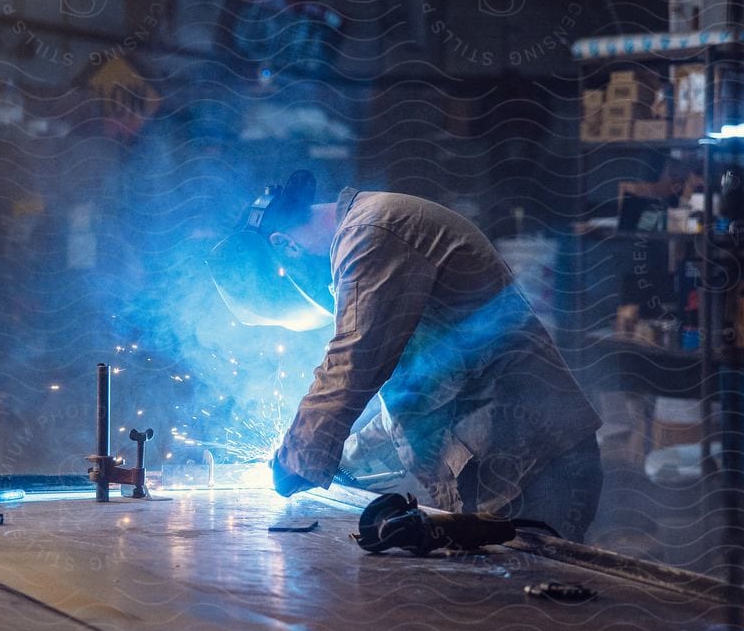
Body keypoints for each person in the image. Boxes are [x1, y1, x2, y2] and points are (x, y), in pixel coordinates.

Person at [208, 171, 604, 541]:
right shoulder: (374, 228)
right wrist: (341, 458)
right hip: (503, 458)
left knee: (526, 606)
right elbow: (416, 392)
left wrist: (299, 455)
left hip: (532, 460)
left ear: (284, 244)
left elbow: (353, 359)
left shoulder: (371, 232)